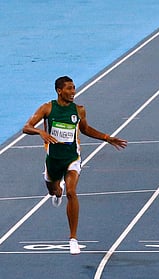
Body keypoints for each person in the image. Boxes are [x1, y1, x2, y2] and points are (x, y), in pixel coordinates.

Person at [23, 76, 128, 254]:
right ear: (59, 90)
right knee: (54, 190)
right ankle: (56, 192)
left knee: (71, 191)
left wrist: (107, 138)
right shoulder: (47, 108)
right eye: (69, 89)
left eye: (74, 88)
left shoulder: (79, 110)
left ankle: (73, 238)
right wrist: (40, 132)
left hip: (72, 158)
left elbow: (85, 129)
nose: (73, 92)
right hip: (53, 160)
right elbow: (26, 127)